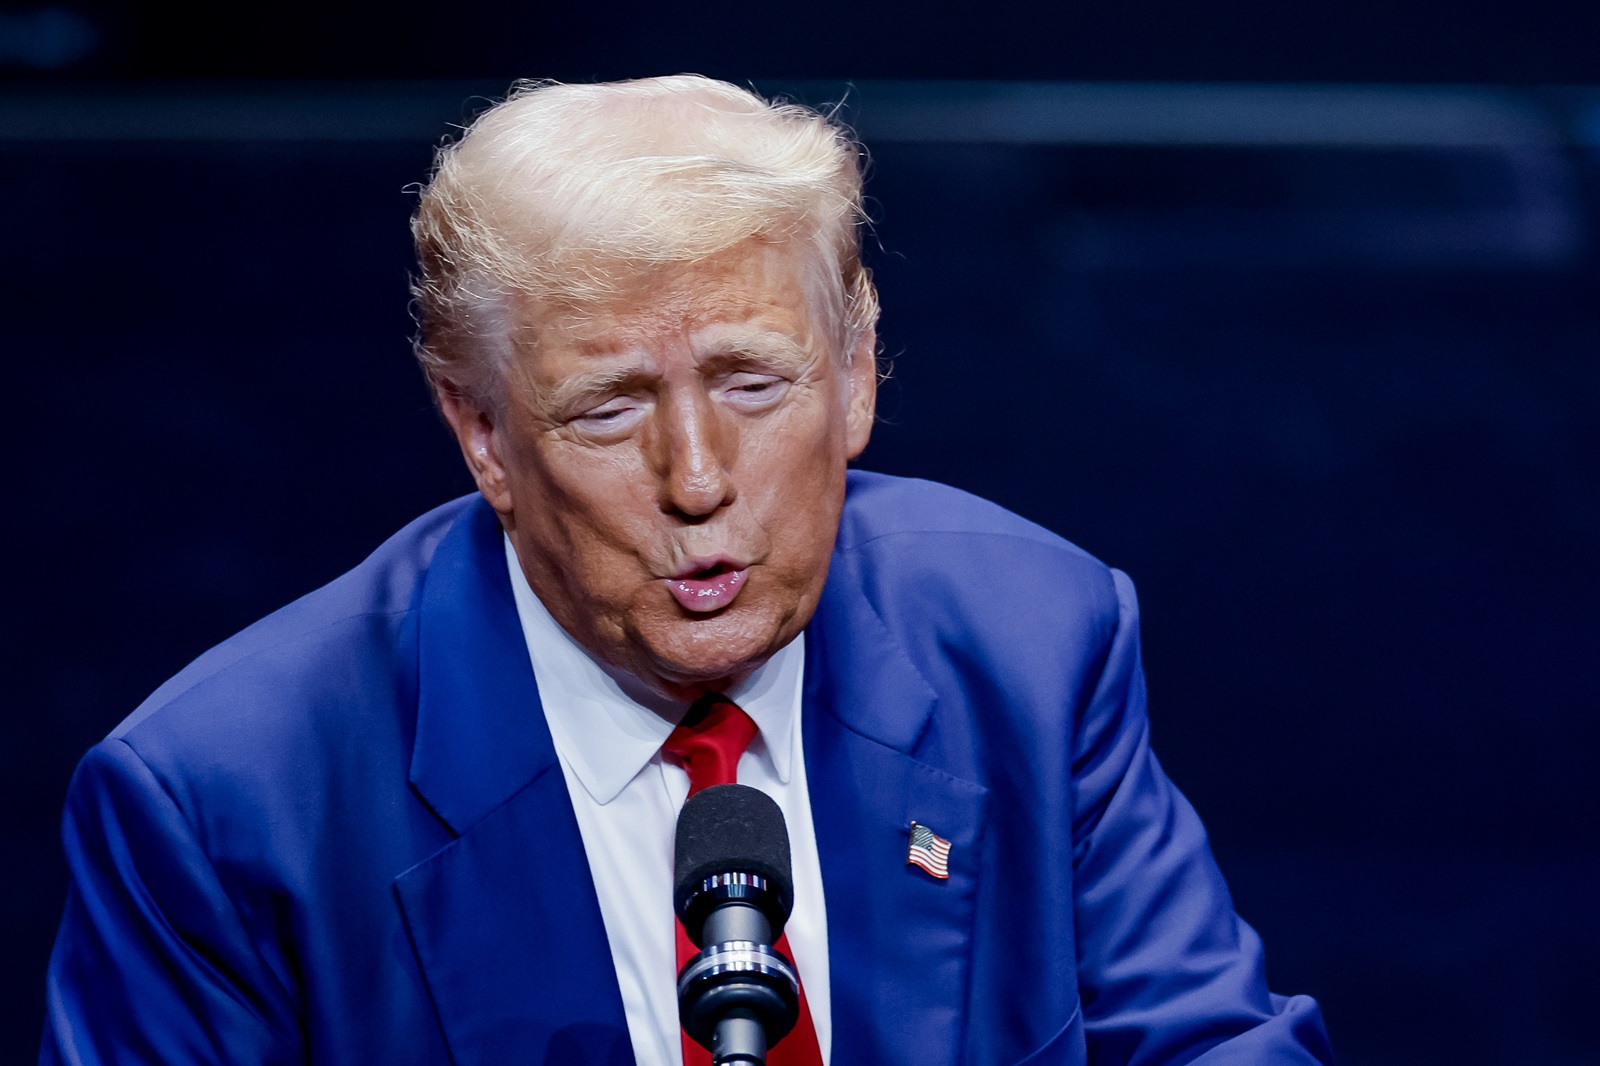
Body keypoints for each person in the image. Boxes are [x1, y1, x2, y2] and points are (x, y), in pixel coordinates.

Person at [41, 75, 1333, 1065]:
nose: (699, 478)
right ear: (482, 433)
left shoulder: (1032, 642)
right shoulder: (223, 809)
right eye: (608, 410)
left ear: (856, 372)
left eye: (751, 383)